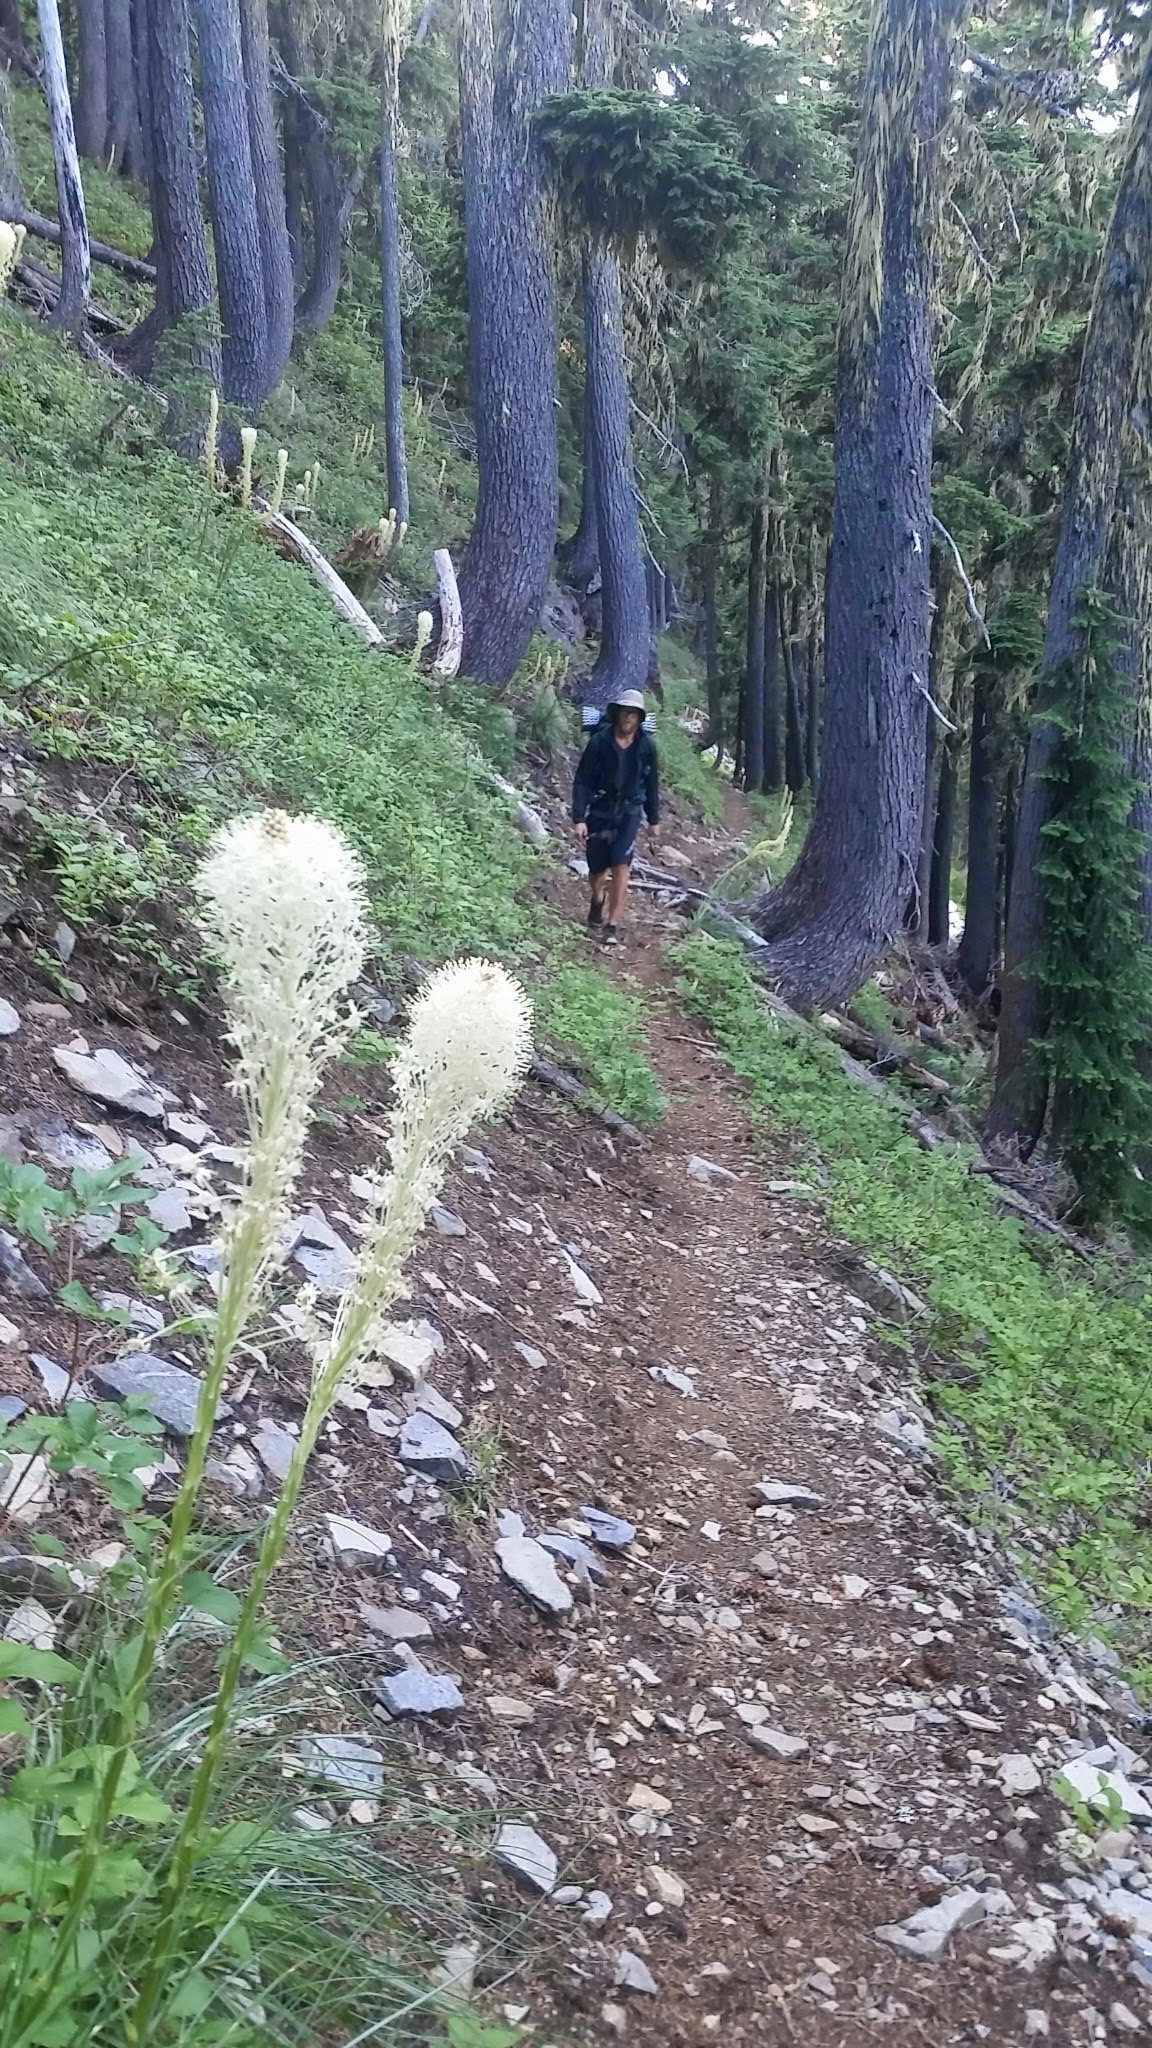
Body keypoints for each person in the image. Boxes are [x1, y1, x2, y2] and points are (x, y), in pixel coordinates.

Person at [571, 690, 660, 946]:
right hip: (601, 808)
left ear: (639, 718)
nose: (628, 717)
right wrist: (579, 817)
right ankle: (597, 897)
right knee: (597, 869)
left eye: (633, 713)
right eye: (624, 712)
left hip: (629, 811)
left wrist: (654, 819)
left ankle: (612, 924)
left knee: (621, 864)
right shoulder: (599, 741)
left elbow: (652, 783)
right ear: (617, 714)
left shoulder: (646, 746)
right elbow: (582, 780)